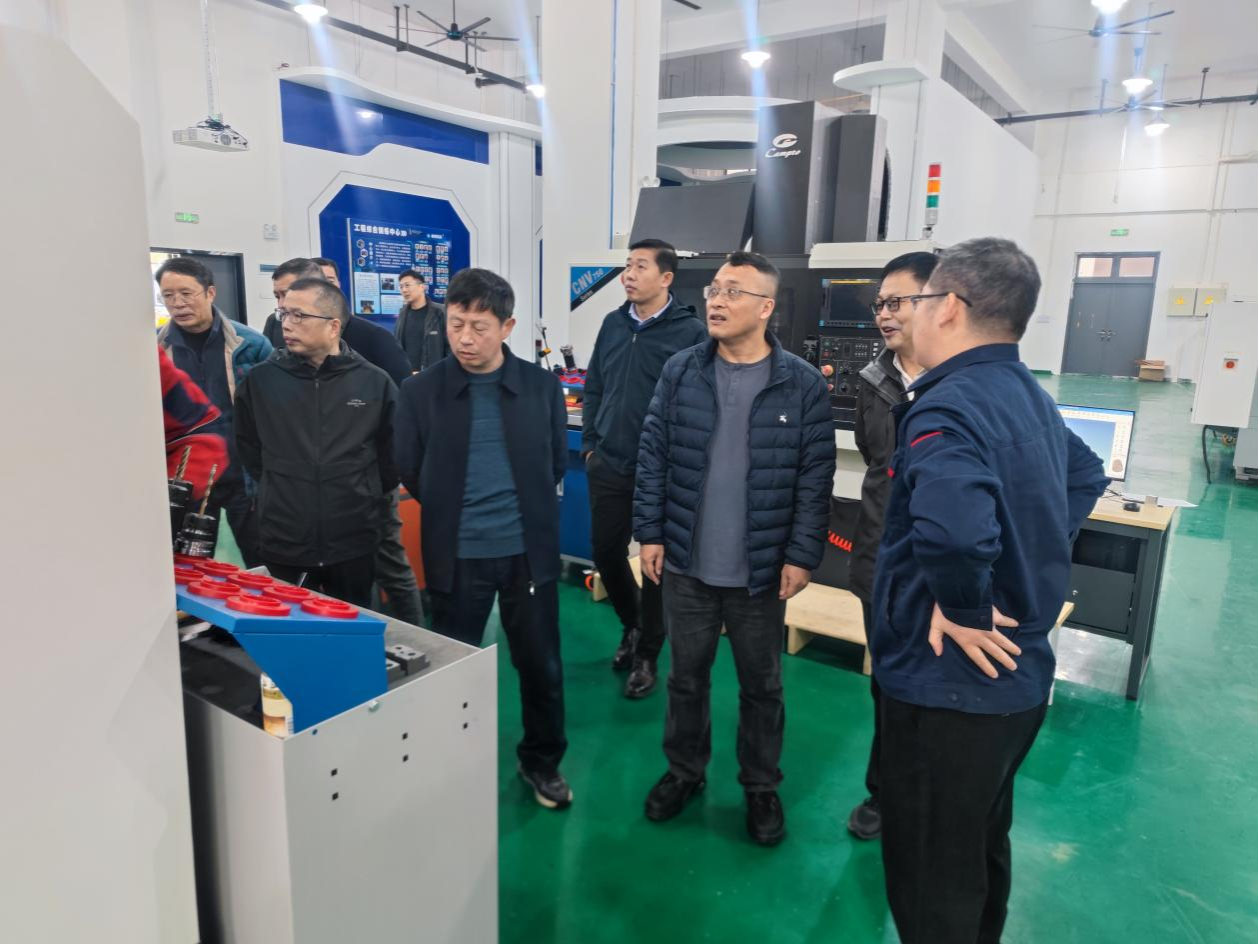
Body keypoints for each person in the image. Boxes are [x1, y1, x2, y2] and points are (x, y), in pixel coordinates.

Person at [869, 238, 1108, 944]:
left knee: (930, 874)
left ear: (948, 307)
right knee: (978, 846)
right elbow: (1085, 474)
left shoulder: (947, 406)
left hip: (947, 684)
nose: (903, 315)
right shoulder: (1026, 393)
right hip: (1017, 681)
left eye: (913, 301)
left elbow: (954, 535)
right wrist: (1029, 548)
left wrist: (966, 606)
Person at [634, 251, 836, 846]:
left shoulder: (801, 383)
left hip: (760, 569)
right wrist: (650, 532)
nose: (717, 301)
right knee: (686, 679)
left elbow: (814, 478)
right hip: (687, 562)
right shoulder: (681, 371)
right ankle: (684, 771)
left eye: (733, 292)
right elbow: (654, 455)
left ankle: (760, 785)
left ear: (766, 307)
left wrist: (801, 554)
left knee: (762, 686)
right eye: (715, 290)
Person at [394, 268, 572, 811]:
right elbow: (409, 467)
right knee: (452, 666)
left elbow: (554, 461)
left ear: (507, 327)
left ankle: (541, 761)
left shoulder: (541, 388)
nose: (465, 338)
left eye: (479, 327)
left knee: (540, 665)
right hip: (457, 554)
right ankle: (450, 760)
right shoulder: (421, 391)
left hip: (527, 554)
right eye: (456, 324)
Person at [263, 257, 422, 624]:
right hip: (304, 497)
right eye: (280, 301)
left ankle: (414, 638)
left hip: (366, 488)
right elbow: (255, 439)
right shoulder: (275, 341)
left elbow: (398, 416)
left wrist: (371, 482)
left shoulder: (372, 340)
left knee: (387, 567)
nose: (285, 316)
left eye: (293, 302)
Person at [582, 239, 707, 699]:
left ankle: (648, 653)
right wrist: (591, 445)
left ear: (666, 278)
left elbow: (698, 405)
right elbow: (595, 385)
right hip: (609, 462)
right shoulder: (613, 323)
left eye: (640, 266)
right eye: (627, 265)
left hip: (662, 472)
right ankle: (632, 624)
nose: (628, 275)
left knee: (656, 565)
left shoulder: (691, 333)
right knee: (605, 553)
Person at [845, 251, 937, 842]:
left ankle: (931, 795)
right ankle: (884, 792)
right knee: (888, 683)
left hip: (941, 567)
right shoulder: (873, 382)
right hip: (880, 559)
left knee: (937, 691)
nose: (884, 314)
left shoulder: (965, 381)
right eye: (879, 303)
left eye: (897, 301)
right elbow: (874, 457)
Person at [234, 278, 399, 608]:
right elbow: (249, 448)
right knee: (289, 627)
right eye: (284, 314)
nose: (287, 324)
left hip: (352, 539)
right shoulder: (261, 381)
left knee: (352, 624)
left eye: (299, 315)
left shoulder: (373, 383)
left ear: (333, 326)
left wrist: (362, 491)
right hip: (285, 537)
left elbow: (391, 457)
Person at [155, 257, 272, 564]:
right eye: (168, 295)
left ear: (210, 292)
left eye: (186, 293)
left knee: (263, 558)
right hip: (188, 478)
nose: (177, 303)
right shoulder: (155, 350)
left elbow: (277, 408)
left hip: (244, 476)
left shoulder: (251, 344)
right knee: (185, 564)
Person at [395, 269, 448, 373]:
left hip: (433, 375)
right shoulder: (402, 314)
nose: (404, 290)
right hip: (408, 376)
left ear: (422, 287)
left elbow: (450, 348)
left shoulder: (440, 312)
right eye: (401, 287)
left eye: (407, 285)